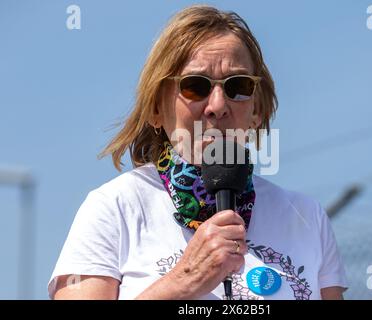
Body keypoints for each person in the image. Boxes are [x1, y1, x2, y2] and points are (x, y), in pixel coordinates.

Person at [49, 5, 347, 300]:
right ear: (155, 109)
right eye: (195, 86)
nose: (218, 106)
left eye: (238, 86)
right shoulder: (114, 207)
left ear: (256, 109)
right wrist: (183, 282)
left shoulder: (307, 217)